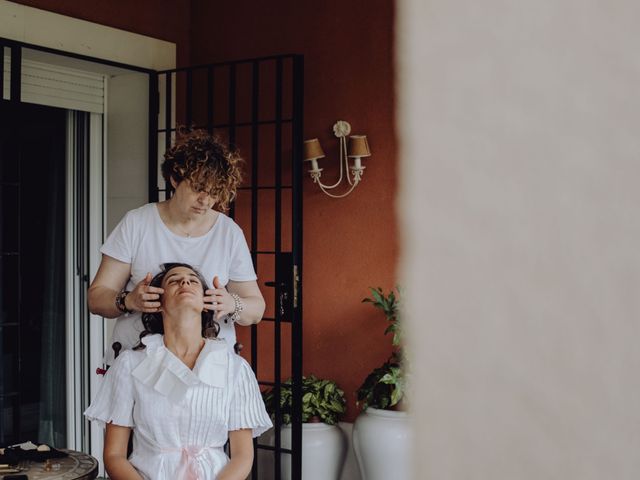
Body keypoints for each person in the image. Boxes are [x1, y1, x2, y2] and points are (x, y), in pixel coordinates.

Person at [88, 129, 265, 365]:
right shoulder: (137, 223)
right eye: (197, 188)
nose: (205, 200)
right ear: (174, 179)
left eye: (213, 192)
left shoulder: (228, 232)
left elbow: (257, 309)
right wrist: (128, 300)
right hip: (139, 364)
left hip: (209, 367)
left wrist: (232, 303)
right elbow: (96, 298)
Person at [84, 263, 272, 480]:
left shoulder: (235, 369)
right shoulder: (130, 365)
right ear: (158, 303)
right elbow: (114, 455)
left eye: (193, 280)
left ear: (205, 303)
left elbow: (242, 456)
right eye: (174, 280)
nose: (185, 282)